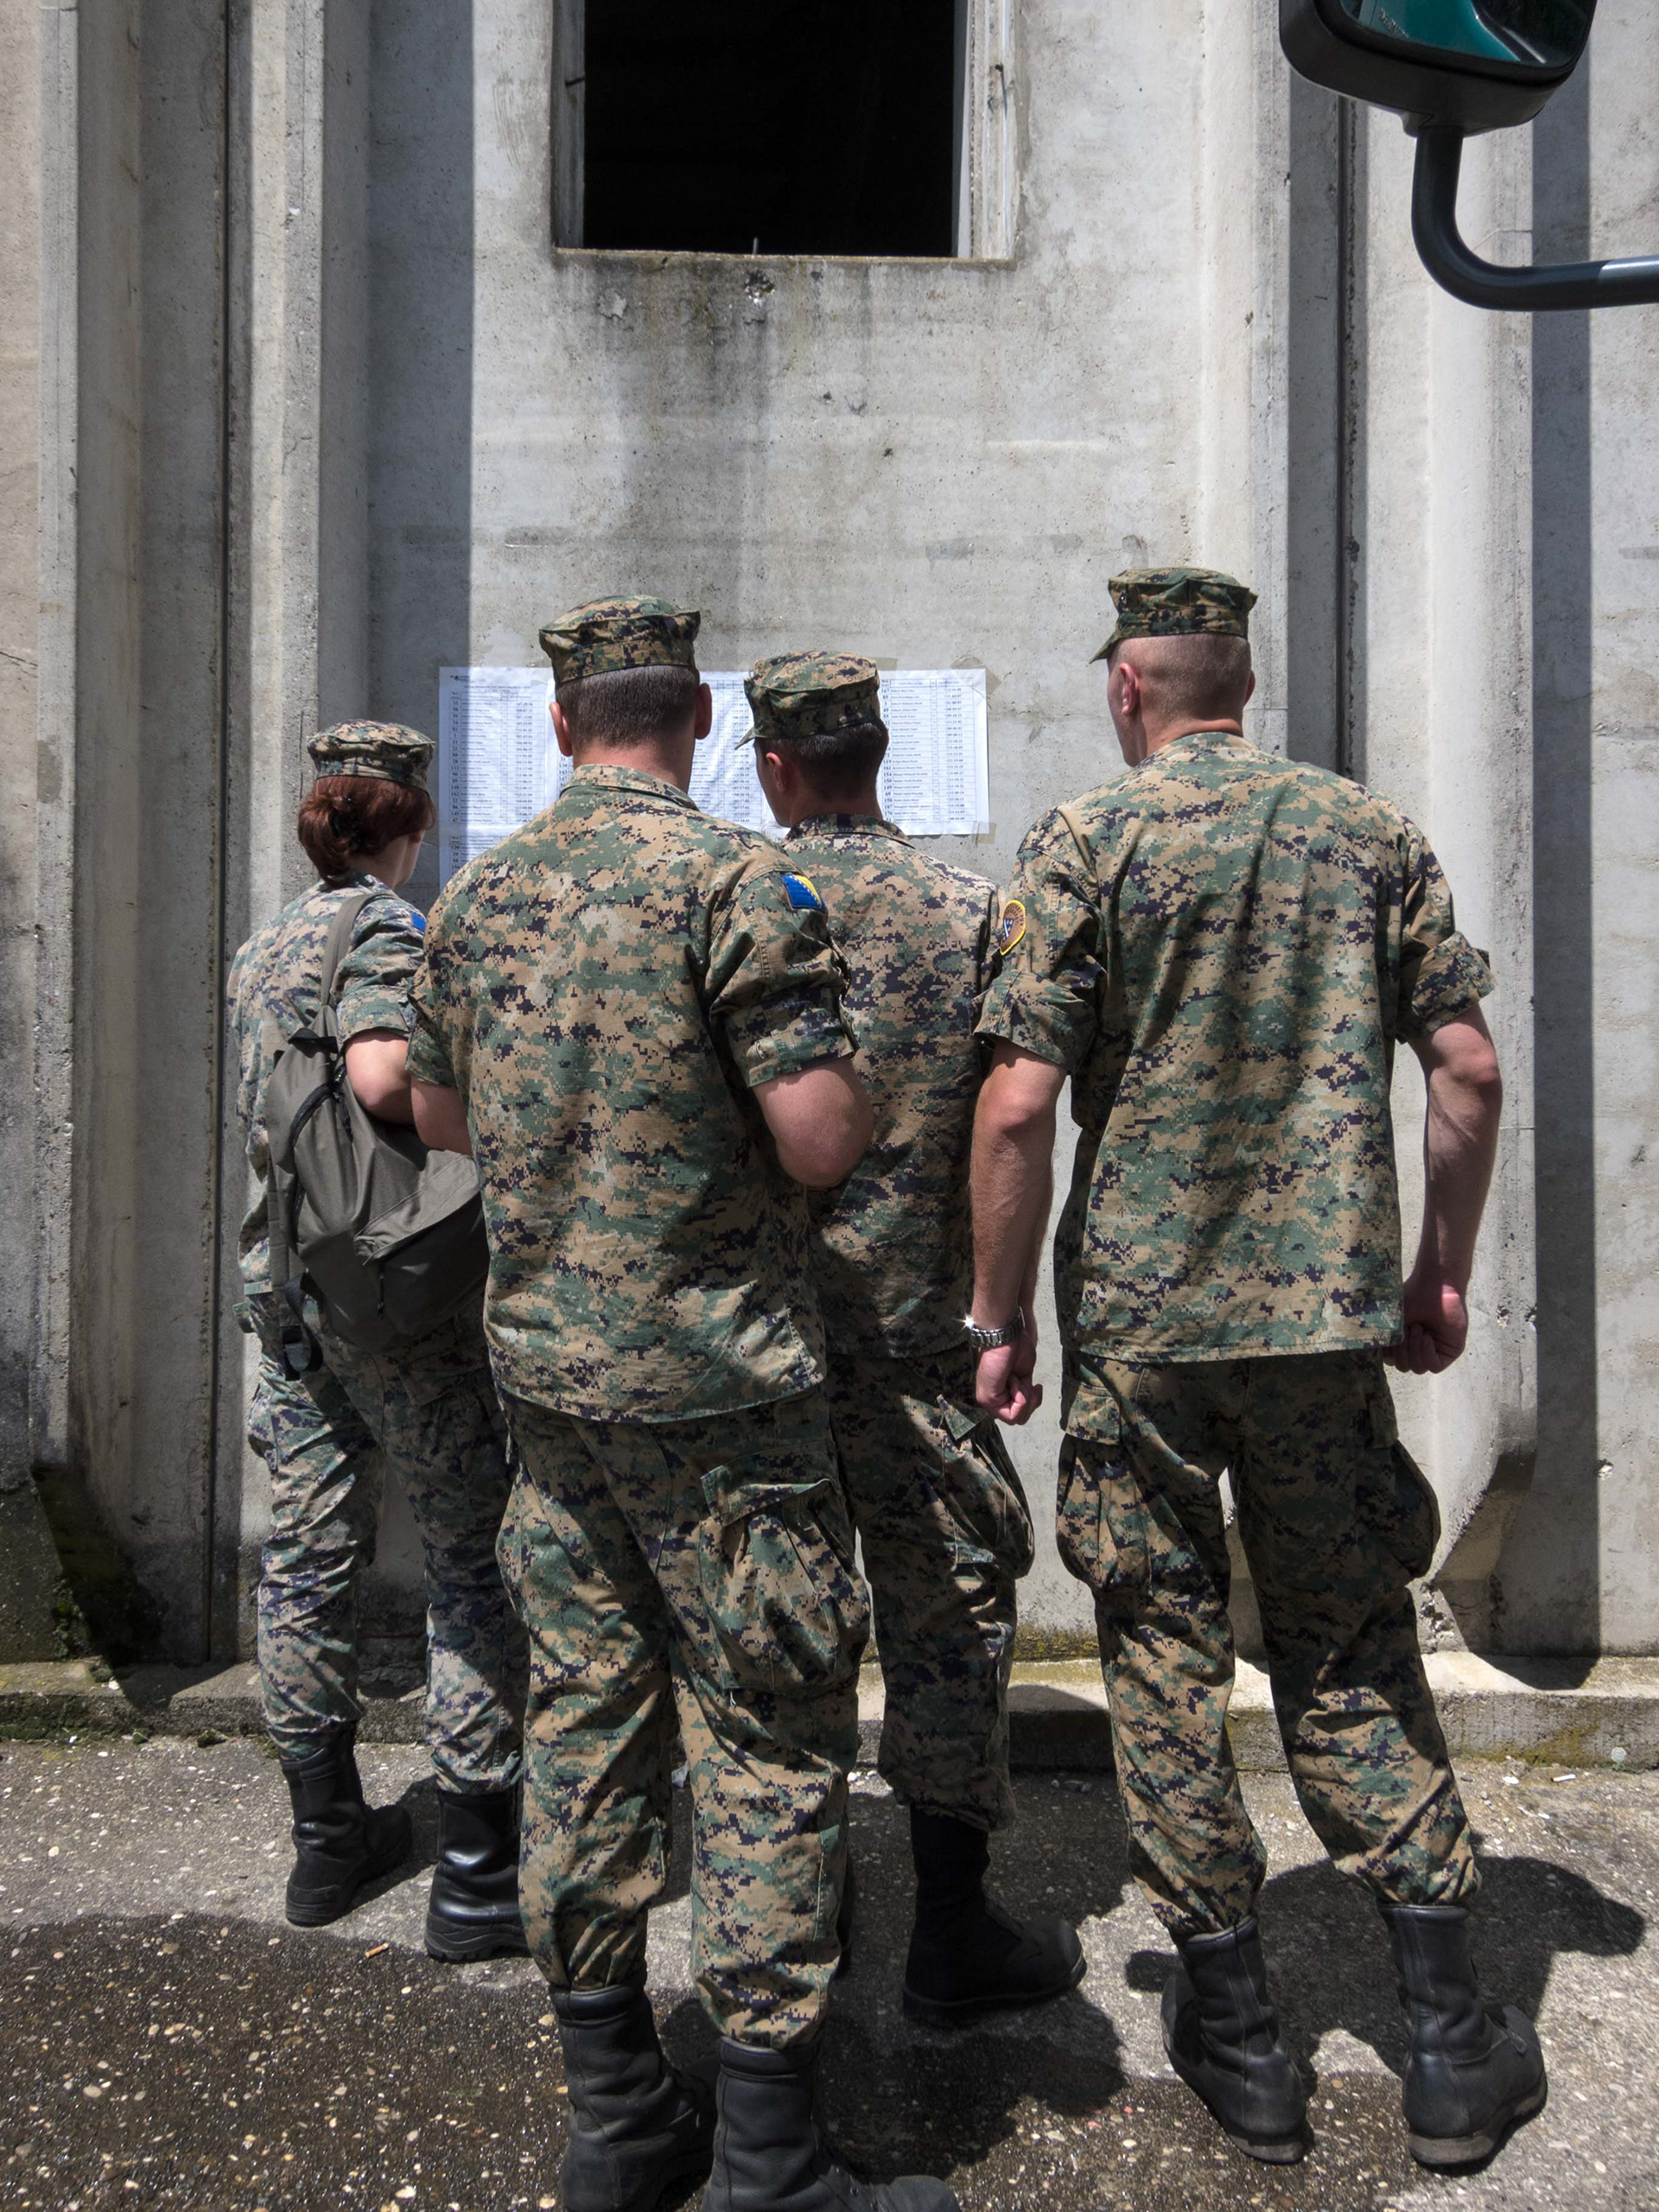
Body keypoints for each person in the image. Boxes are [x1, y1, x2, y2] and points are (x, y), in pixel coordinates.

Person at [967, 569, 1545, 2171]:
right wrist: (1436, 1270)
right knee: (1347, 1637)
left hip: (1146, 1330)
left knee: (1157, 1648)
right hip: (1318, 1330)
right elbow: (1471, 1070)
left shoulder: (1092, 842)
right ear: (1241, 683)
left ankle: (1238, 2038)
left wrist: (996, 1314)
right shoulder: (1368, 835)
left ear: (1128, 688)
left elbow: (1017, 1105)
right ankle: (1445, 2045)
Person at [409, 601, 957, 2212]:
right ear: (703, 720)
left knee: (583, 1723)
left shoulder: (481, 895)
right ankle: (773, 2160)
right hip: (725, 1401)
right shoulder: (736, 885)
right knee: (770, 1736)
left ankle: (617, 2116)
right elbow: (817, 1138)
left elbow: (440, 1114)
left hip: (556, 1394)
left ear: (565, 722)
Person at [746, 651, 1084, 2028]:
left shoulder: (739, 907)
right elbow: (1017, 1124)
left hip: (759, 1358)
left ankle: (795, 1912)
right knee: (946, 1625)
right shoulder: (975, 916)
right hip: (918, 1345)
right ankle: (949, 1931)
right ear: (887, 757)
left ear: (771, 767)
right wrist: (998, 1313)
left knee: (777, 1628)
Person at [227, 720, 527, 1961]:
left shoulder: (260, 945)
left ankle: (325, 1839)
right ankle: (474, 1866)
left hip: (292, 1289)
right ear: (410, 821)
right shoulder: (390, 929)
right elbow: (382, 1080)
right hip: (393, 1297)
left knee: (303, 1563)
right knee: (469, 1560)